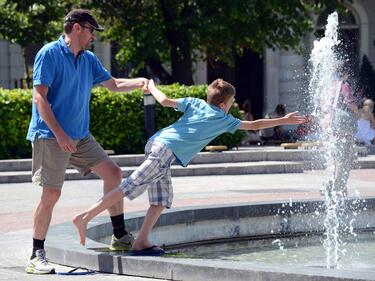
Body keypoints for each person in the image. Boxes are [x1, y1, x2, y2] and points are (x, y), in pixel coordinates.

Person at [72, 79, 306, 256]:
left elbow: (163, 101)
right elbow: (255, 124)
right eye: (232, 103)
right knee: (129, 185)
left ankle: (141, 240)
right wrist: (283, 120)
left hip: (157, 143)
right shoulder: (224, 118)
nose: (232, 106)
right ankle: (85, 217)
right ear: (224, 104)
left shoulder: (195, 103)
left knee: (161, 200)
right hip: (165, 150)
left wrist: (151, 86)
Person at [25, 9, 148, 274]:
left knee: (113, 173)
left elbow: (113, 85)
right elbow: (39, 99)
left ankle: (119, 235)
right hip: (50, 135)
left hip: (80, 136)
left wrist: (139, 83)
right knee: (51, 194)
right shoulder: (49, 53)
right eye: (92, 30)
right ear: (78, 28)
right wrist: (60, 134)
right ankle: (36, 254)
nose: (94, 36)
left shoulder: (88, 59)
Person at [320, 69, 358, 197]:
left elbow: (323, 105)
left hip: (329, 125)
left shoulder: (329, 85)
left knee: (333, 157)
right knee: (344, 158)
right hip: (342, 127)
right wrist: (357, 111)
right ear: (346, 73)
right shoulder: (344, 85)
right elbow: (349, 102)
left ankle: (329, 184)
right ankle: (339, 187)